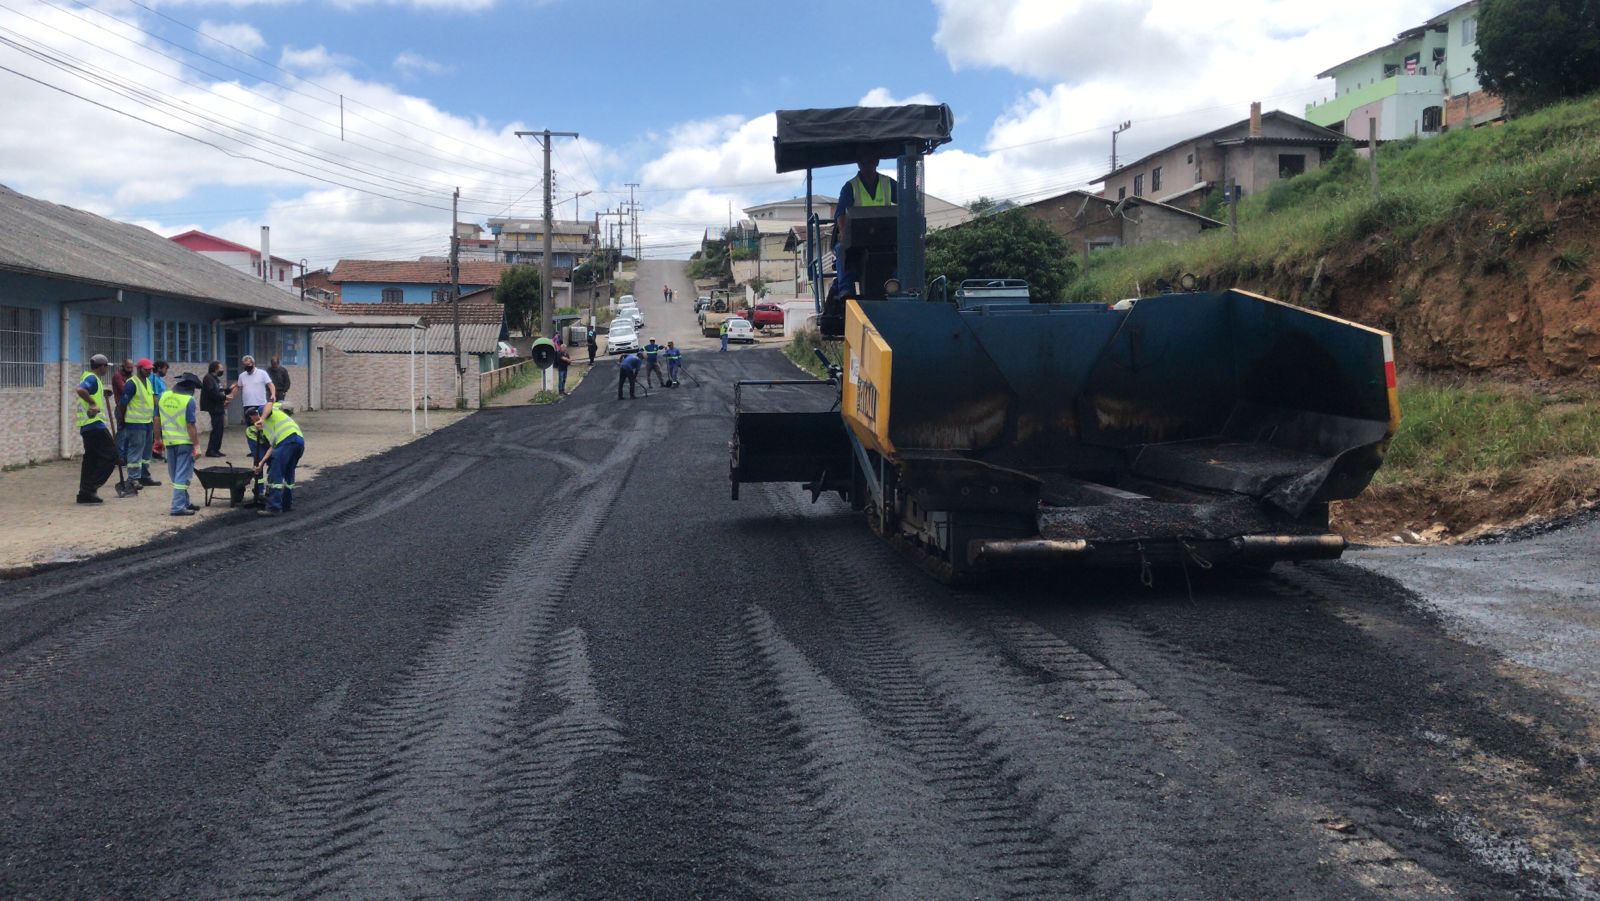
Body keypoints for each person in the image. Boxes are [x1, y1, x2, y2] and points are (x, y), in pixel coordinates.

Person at [831, 152, 899, 304]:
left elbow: (906, 201)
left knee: (902, 250)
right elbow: (841, 214)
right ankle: (846, 290)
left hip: (884, 238)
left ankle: (899, 285)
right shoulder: (850, 187)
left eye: (870, 162)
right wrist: (843, 233)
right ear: (858, 165)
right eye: (863, 163)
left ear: (876, 162)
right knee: (842, 248)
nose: (866, 166)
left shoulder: (888, 183)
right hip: (857, 239)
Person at [73, 354, 118, 504]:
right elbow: (80, 390)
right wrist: (93, 403)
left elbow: (88, 389)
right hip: (95, 425)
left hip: (87, 426)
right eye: (106, 366)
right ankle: (91, 487)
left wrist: (101, 392)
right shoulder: (92, 378)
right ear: (101, 366)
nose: (107, 369)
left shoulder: (91, 378)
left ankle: (85, 493)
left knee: (91, 459)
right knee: (111, 456)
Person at [248, 401, 305, 517]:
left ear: (254, 415)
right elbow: (272, 448)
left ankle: (274, 507)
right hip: (298, 441)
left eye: (252, 419)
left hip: (287, 441)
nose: (253, 423)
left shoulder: (264, 412)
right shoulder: (268, 428)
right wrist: (261, 463)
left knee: (275, 473)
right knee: (289, 472)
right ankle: (286, 504)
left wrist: (262, 418)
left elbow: (269, 403)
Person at [157, 373, 202, 517]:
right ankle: (177, 507)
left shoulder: (163, 396)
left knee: (175, 475)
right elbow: (190, 425)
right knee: (182, 475)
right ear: (190, 388)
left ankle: (185, 502)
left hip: (169, 441)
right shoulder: (189, 400)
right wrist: (196, 445)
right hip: (184, 442)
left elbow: (156, 419)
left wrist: (157, 439)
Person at [116, 358, 160, 487]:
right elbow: (123, 404)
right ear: (139, 369)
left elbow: (151, 400)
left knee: (146, 452)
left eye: (150, 369)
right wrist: (122, 419)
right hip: (135, 422)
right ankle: (133, 478)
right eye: (146, 369)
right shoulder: (132, 383)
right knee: (135, 450)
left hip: (147, 421)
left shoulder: (148, 382)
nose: (149, 372)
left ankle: (144, 476)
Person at [228, 354, 275, 424]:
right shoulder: (242, 376)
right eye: (244, 365)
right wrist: (231, 396)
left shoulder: (262, 373)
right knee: (250, 426)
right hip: (247, 404)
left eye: (248, 364)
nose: (246, 367)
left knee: (261, 424)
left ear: (253, 363)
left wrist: (273, 394)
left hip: (260, 404)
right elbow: (238, 387)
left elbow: (270, 384)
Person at [200, 361, 228, 457]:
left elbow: (220, 391)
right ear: (215, 368)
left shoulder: (215, 379)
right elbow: (213, 393)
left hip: (218, 406)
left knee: (219, 429)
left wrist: (229, 390)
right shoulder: (208, 378)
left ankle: (216, 449)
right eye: (221, 368)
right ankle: (211, 450)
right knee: (216, 429)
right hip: (214, 407)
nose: (222, 370)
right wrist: (225, 398)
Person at [150, 360, 169, 462]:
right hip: (156, 410)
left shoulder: (159, 380)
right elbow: (155, 395)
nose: (166, 371)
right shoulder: (153, 378)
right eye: (165, 369)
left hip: (161, 409)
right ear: (159, 368)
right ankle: (154, 452)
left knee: (159, 432)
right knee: (156, 432)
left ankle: (158, 452)